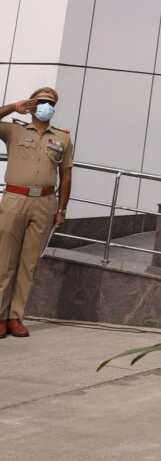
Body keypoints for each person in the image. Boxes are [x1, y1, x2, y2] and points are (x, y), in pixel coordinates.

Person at [0, 86, 70, 338]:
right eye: (41, 101)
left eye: (50, 102)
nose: (45, 106)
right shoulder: (14, 129)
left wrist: (61, 208)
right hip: (15, 199)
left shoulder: (62, 137)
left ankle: (15, 317)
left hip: (44, 203)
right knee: (4, 262)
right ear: (32, 103)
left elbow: (66, 174)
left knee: (28, 265)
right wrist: (13, 107)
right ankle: (0, 316)